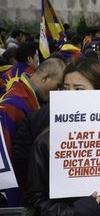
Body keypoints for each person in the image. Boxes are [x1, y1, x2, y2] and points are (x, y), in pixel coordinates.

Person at [24, 58, 100, 216]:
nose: (69, 96)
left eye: (78, 89)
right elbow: (35, 201)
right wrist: (75, 212)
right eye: (65, 89)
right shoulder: (46, 141)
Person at [0, 58, 65, 206]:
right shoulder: (12, 105)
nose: (59, 91)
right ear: (45, 78)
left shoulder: (29, 98)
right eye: (58, 86)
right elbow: (7, 156)